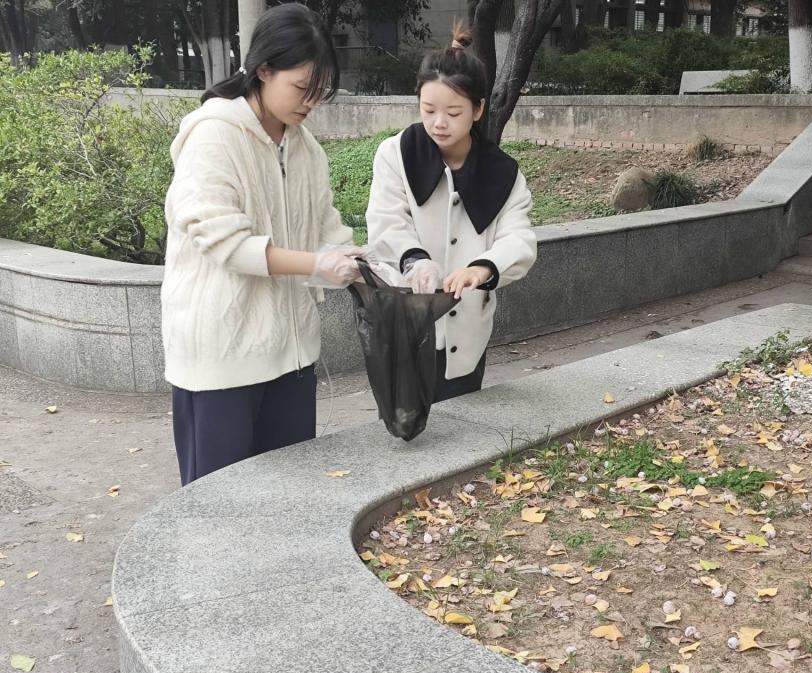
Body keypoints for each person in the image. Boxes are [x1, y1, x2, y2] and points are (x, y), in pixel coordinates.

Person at [162, 3, 363, 485]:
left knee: (287, 499)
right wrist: (317, 263)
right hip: (221, 358)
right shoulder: (213, 135)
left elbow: (328, 230)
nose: (309, 103)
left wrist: (372, 264)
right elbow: (226, 243)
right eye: (301, 88)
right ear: (263, 70)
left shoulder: (305, 148)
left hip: (292, 357)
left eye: (319, 92)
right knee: (220, 505)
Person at [365, 23, 537, 403]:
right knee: (405, 422)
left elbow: (519, 239)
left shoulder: (503, 173)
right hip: (406, 325)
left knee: (463, 417)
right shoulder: (396, 154)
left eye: (453, 112)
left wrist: (484, 268)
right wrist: (414, 260)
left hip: (467, 334)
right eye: (428, 110)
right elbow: (386, 222)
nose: (439, 123)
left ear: (478, 109)